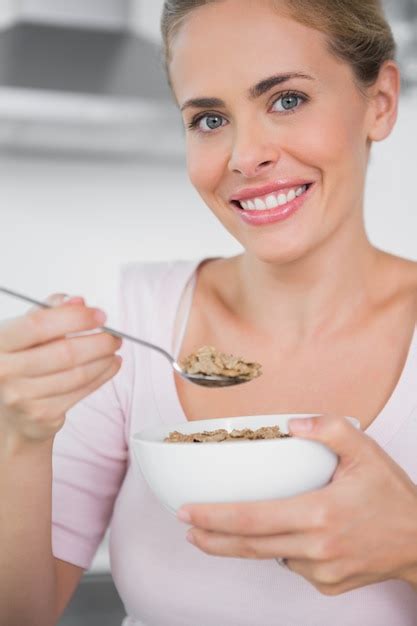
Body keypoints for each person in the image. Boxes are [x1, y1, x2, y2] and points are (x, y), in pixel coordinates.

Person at [1, 1, 416, 625]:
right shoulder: (133, 323)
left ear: (380, 101)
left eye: (286, 100)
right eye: (210, 118)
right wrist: (19, 436)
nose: (244, 155)